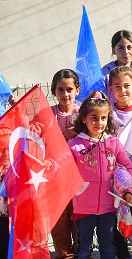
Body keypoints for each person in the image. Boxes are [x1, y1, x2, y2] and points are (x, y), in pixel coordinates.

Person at [68, 91, 132, 259]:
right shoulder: (75, 145)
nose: (99, 122)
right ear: (84, 119)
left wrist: (129, 191)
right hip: (84, 206)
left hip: (108, 207)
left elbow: (127, 167)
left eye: (103, 118)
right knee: (84, 248)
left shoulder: (113, 142)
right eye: (94, 118)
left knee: (108, 248)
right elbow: (65, 172)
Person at [108, 66, 132, 258]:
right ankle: (122, 253)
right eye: (117, 86)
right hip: (114, 179)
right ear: (111, 89)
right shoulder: (107, 115)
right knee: (117, 217)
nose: (123, 90)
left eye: (127, 86)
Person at [50, 69, 81, 259]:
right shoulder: (48, 115)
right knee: (60, 219)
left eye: (69, 89)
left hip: (80, 175)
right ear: (54, 91)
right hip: (56, 176)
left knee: (78, 216)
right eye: (60, 90)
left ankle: (82, 252)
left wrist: (76, 131)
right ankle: (63, 254)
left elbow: (97, 132)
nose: (65, 94)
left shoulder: (84, 113)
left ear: (77, 90)